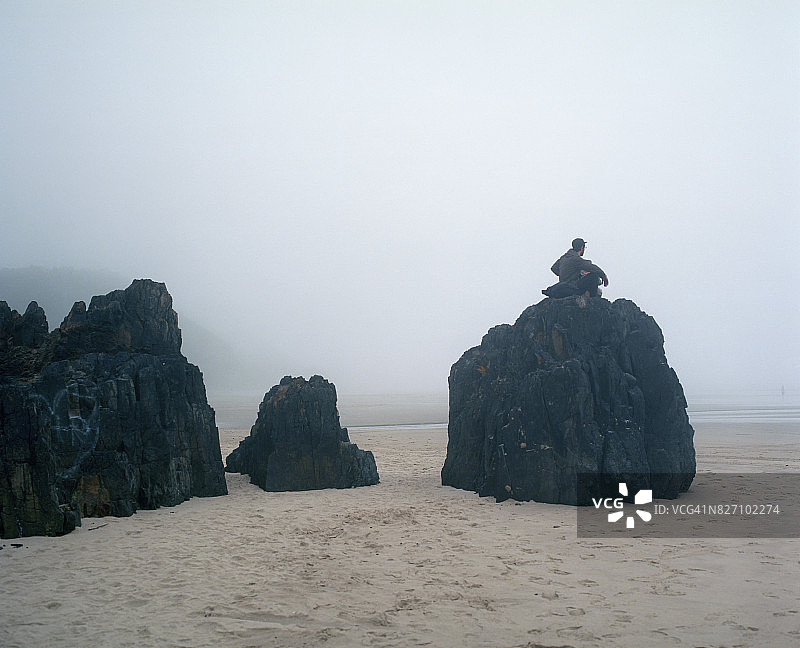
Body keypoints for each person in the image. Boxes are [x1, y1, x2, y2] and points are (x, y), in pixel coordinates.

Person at [542, 238, 609, 298]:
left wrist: (567, 273)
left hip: (564, 285)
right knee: (594, 277)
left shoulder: (564, 257)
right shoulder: (576, 259)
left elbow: (554, 268)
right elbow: (592, 267)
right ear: (582, 247)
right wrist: (603, 276)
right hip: (573, 287)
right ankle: (592, 300)